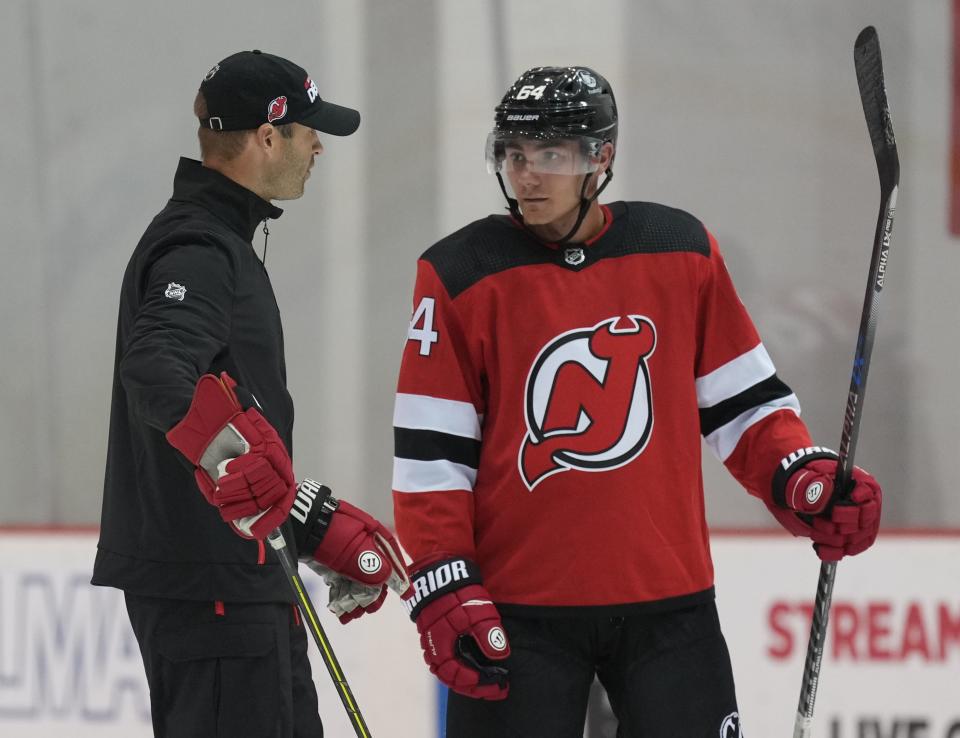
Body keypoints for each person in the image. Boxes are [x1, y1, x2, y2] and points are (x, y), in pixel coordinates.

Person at [391, 66, 882, 738]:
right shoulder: (458, 272)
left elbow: (745, 408)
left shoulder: (679, 251)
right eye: (514, 155)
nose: (527, 175)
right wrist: (443, 578)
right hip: (518, 613)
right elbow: (432, 456)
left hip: (667, 606)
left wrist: (801, 475)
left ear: (602, 157)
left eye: (551, 156)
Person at [92, 50, 407, 738]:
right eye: (308, 130)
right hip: (215, 597)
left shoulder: (220, 240)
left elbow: (234, 421)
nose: (318, 145)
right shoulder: (200, 249)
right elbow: (156, 367)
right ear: (269, 136)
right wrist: (236, 466)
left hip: (241, 582)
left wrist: (303, 518)